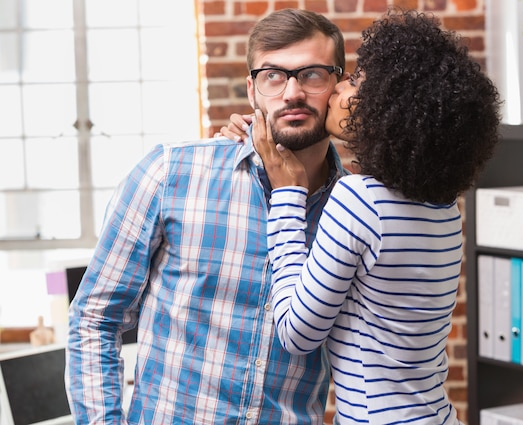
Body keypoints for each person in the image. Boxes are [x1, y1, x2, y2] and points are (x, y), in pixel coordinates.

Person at [65, 8, 350, 424]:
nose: (292, 92)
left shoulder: (355, 210)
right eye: (273, 75)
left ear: (337, 85)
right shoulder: (170, 174)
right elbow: (95, 318)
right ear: (252, 91)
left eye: (311, 75)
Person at [228, 8, 501, 425]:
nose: (339, 89)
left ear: (389, 109)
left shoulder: (359, 198)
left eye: (356, 83)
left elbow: (296, 333)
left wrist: (287, 194)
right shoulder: (444, 209)